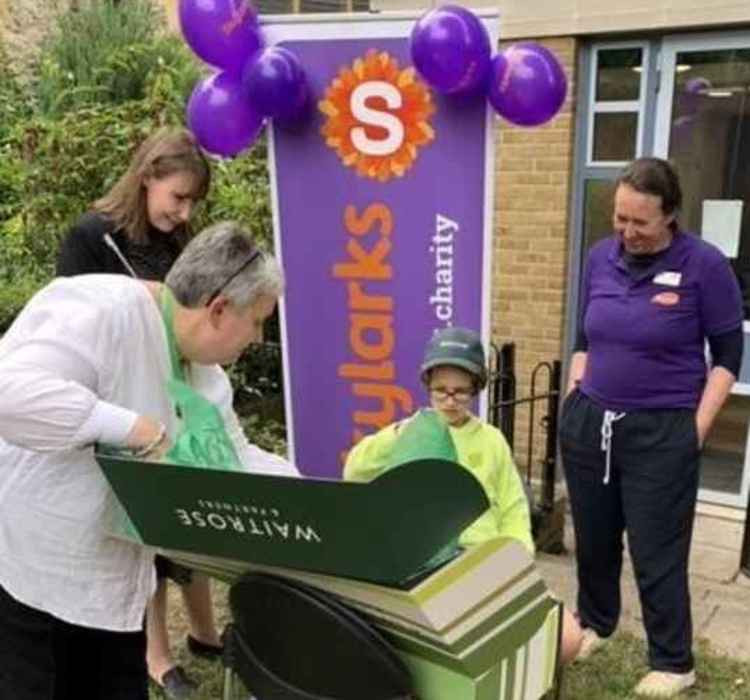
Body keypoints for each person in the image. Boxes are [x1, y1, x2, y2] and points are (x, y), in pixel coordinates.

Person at [0, 221, 298, 700]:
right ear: (219, 309)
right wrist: (131, 428)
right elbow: (9, 394)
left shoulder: (205, 376)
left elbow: (235, 457)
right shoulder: (98, 309)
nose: (259, 337)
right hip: (38, 577)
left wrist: (316, 500)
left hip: (117, 584)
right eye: (259, 320)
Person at [560, 157, 743, 697]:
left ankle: (673, 660)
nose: (628, 232)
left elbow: (729, 356)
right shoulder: (600, 257)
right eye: (620, 218)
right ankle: (596, 622)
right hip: (592, 421)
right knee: (592, 538)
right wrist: (576, 387)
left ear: (670, 216)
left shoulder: (704, 266)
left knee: (656, 548)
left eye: (640, 222)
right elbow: (585, 335)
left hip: (662, 431)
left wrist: (696, 429)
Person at [56, 127, 221, 699]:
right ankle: (156, 655)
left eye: (193, 201)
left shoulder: (181, 241)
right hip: (119, 405)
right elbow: (71, 320)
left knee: (187, 517)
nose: (184, 210)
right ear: (147, 176)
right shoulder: (91, 236)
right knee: (141, 528)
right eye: (178, 196)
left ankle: (204, 632)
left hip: (172, 393)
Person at [344, 326, 583, 665]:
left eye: (460, 392)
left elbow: (514, 512)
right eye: (440, 391)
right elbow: (354, 470)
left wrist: (514, 564)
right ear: (427, 386)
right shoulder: (411, 433)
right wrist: (400, 432)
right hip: (426, 564)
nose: (450, 400)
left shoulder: (491, 440)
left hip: (484, 562)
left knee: (569, 640)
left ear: (476, 389)